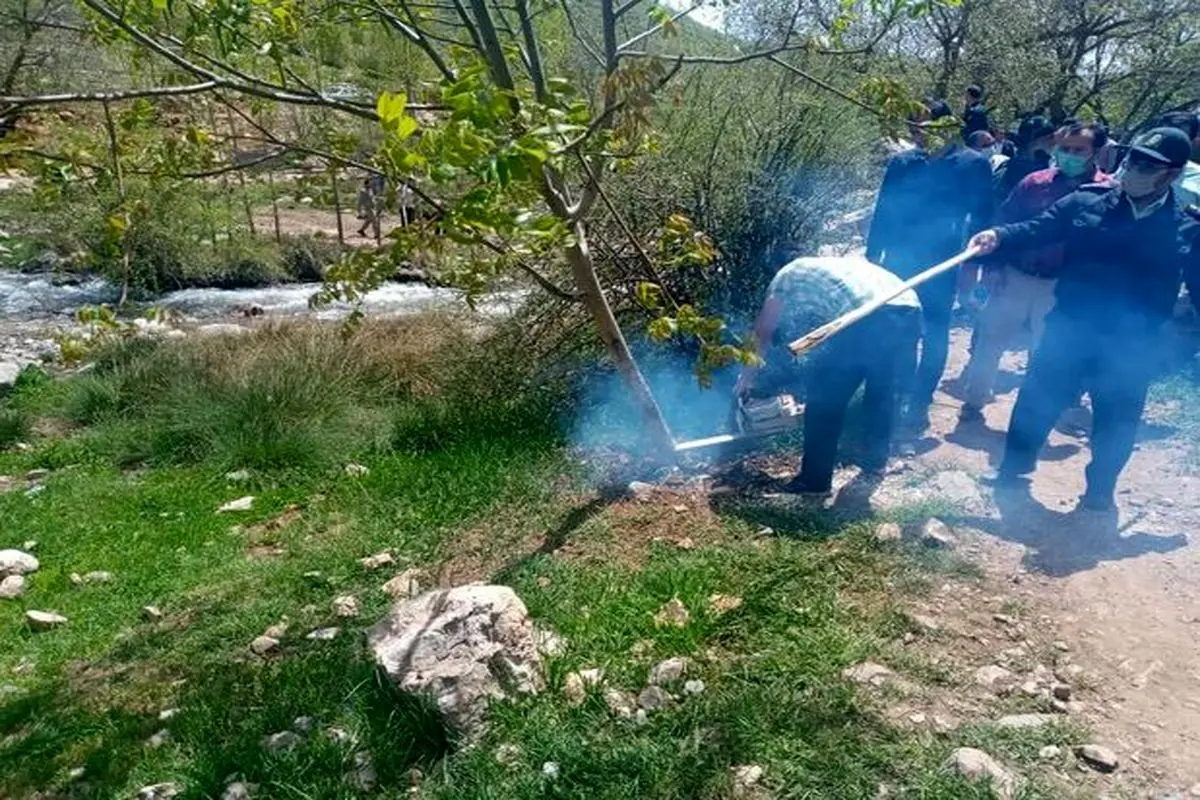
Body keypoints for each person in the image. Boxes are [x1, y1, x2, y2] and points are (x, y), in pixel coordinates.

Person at [967, 127, 1200, 511]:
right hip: (1069, 329)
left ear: (1172, 174)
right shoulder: (1087, 202)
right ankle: (1012, 473)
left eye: (1148, 165)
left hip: (1131, 347)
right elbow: (1036, 229)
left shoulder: (1189, 229)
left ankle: (1099, 492)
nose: (1135, 169)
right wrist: (997, 237)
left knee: (1116, 422)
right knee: (1036, 402)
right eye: (1134, 159)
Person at [960, 122, 1114, 421]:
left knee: (1046, 353)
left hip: (1062, 288)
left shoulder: (1107, 193)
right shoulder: (1035, 183)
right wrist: (992, 268)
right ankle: (974, 403)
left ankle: (1032, 419)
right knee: (990, 341)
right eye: (1064, 148)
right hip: (1016, 276)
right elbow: (1005, 222)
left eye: (1078, 150)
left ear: (1094, 152)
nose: (1070, 155)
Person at [734, 255, 922, 496]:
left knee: (825, 401)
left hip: (867, 314)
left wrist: (745, 378)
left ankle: (814, 481)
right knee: (882, 396)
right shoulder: (839, 266)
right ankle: (875, 464)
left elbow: (763, 331)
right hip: (909, 309)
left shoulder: (784, 276)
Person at [866, 99, 994, 431]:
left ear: (946, 128)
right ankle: (901, 394)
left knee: (935, 333)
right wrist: (872, 257)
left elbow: (983, 217)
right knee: (902, 328)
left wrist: (977, 264)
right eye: (913, 125)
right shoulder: (904, 162)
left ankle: (921, 402)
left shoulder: (971, 164)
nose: (916, 132)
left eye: (923, 125)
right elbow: (884, 209)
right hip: (898, 259)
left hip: (944, 260)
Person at [996, 115, 1056, 199]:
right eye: (1050, 138)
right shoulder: (1010, 170)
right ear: (1034, 141)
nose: (1054, 141)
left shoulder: (1048, 163)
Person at [1153, 111, 1200, 207]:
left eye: (1178, 139)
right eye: (1164, 136)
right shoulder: (1134, 163)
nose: (1168, 144)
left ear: (1193, 141)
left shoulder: (1197, 178)